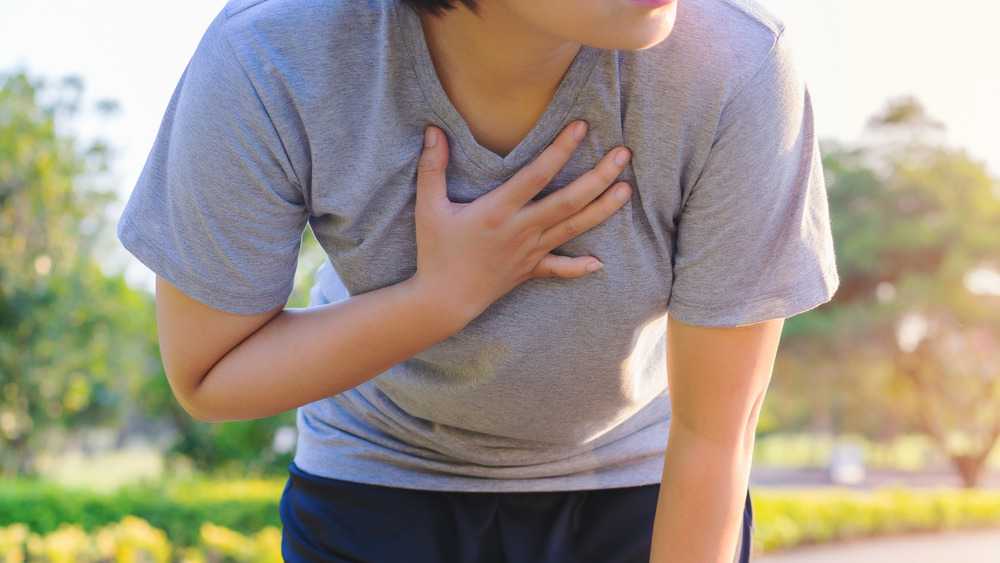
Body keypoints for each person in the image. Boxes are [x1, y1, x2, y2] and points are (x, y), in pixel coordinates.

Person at [118, 0, 838, 560]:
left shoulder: (739, 63)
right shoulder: (269, 55)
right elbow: (206, 372)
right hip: (378, 478)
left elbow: (715, 431)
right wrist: (436, 299)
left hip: (640, 485)